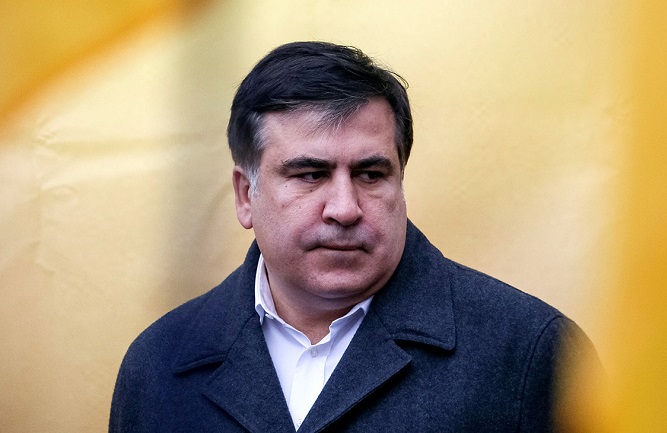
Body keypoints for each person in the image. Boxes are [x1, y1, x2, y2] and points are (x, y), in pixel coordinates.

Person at [110, 41, 597, 433]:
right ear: (245, 195)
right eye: (310, 174)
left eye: (370, 174)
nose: (344, 209)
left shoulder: (531, 354)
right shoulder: (158, 364)